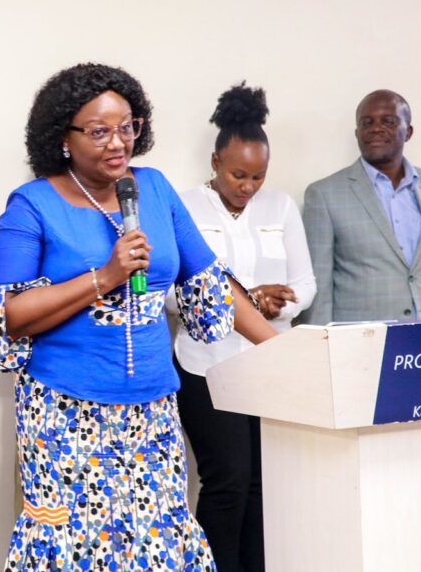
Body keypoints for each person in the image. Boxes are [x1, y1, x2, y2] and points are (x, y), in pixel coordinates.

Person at [0, 63, 277, 571]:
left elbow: (210, 280)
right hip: (64, 414)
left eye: (127, 127)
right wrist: (106, 275)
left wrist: (282, 347)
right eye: (99, 132)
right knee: (78, 550)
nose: (118, 143)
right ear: (63, 138)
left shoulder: (153, 189)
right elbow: (7, 316)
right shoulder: (32, 205)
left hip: (153, 411)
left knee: (154, 543)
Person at [170, 82, 316, 572]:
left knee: (262, 485)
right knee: (227, 480)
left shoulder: (281, 208)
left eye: (258, 176)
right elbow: (170, 291)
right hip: (205, 367)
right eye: (238, 174)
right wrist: (248, 300)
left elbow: (306, 284)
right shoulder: (184, 206)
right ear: (215, 162)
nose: (248, 186)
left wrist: (277, 306)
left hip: (268, 367)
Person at [300, 90, 421, 325]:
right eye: (367, 122)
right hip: (360, 341)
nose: (376, 128)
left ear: (409, 132)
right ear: (357, 133)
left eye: (388, 121)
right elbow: (319, 287)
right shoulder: (324, 195)